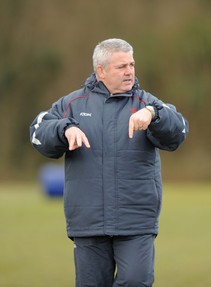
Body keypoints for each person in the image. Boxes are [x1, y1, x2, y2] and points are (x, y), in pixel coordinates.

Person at [30, 38, 189, 286]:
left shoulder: (148, 103)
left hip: (135, 220)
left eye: (132, 64)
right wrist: (64, 129)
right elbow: (38, 132)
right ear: (100, 71)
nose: (129, 71)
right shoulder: (71, 104)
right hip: (88, 220)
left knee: (136, 281)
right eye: (121, 66)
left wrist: (154, 115)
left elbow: (178, 132)